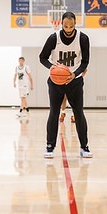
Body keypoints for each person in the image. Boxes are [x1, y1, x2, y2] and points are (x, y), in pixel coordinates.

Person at [39, 11, 91, 159]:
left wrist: (75, 74)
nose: (68, 29)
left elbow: (85, 62)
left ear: (75, 24)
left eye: (71, 26)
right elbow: (42, 57)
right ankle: (50, 146)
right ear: (61, 24)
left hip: (75, 80)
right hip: (56, 82)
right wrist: (53, 68)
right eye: (66, 26)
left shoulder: (83, 38)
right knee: (54, 112)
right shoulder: (53, 38)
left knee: (78, 113)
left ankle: (84, 147)